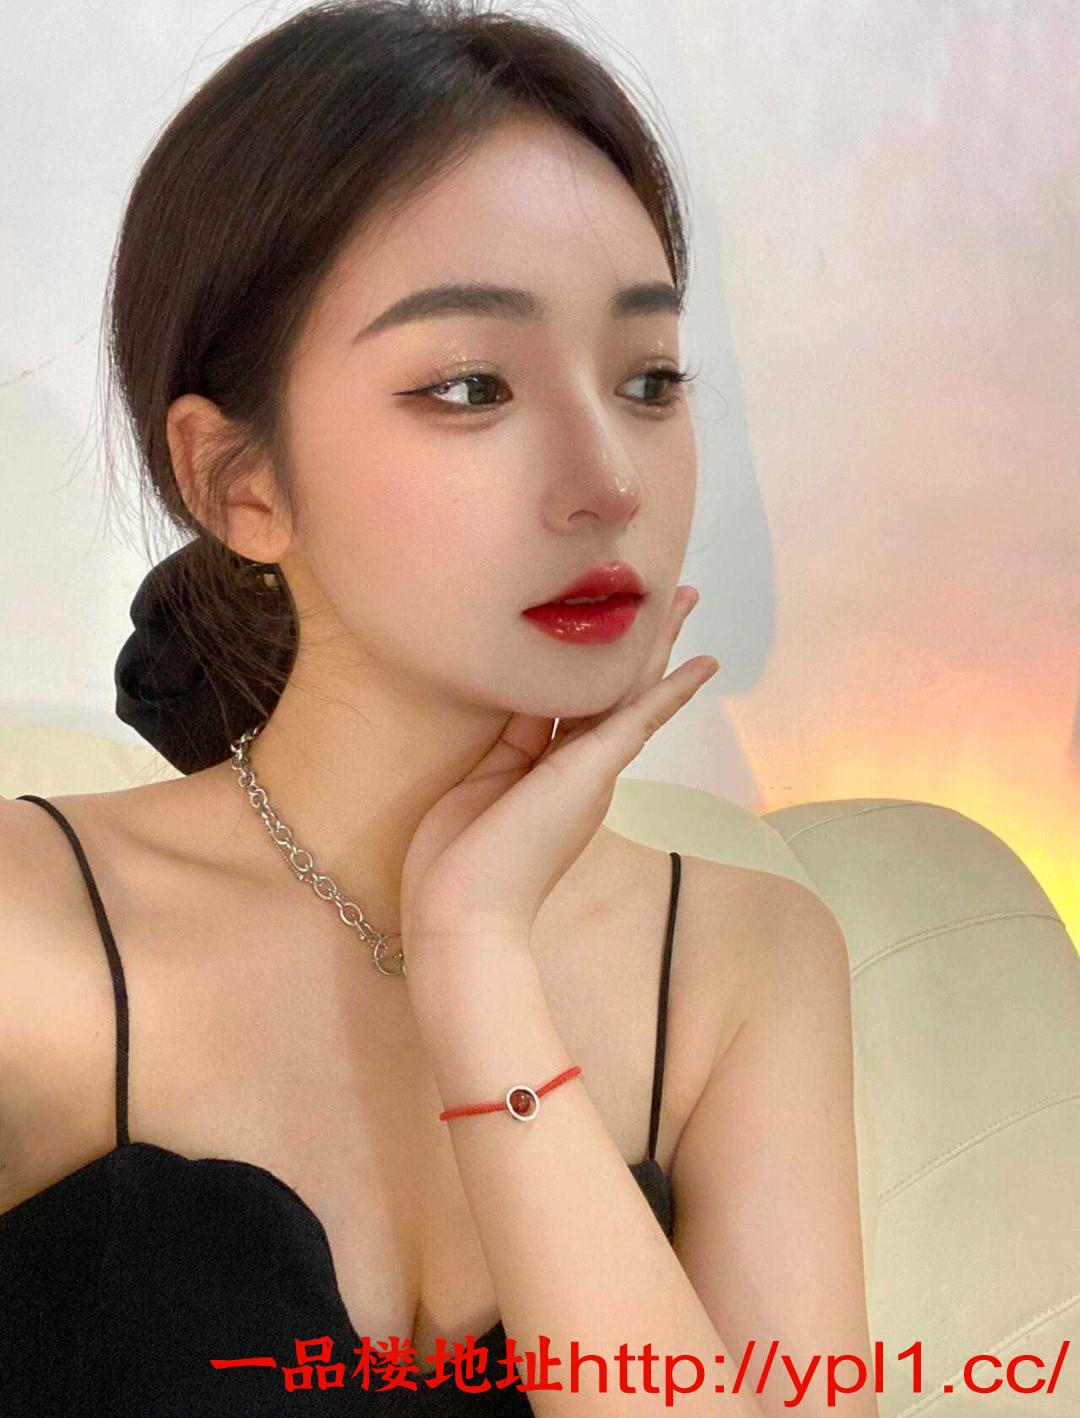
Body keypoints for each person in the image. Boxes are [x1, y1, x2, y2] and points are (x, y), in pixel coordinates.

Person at [0, 2, 877, 1413]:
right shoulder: (26, 929)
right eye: (473, 385)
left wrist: (479, 963)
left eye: (649, 379)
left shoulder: (744, 964)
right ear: (238, 480)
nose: (611, 482)